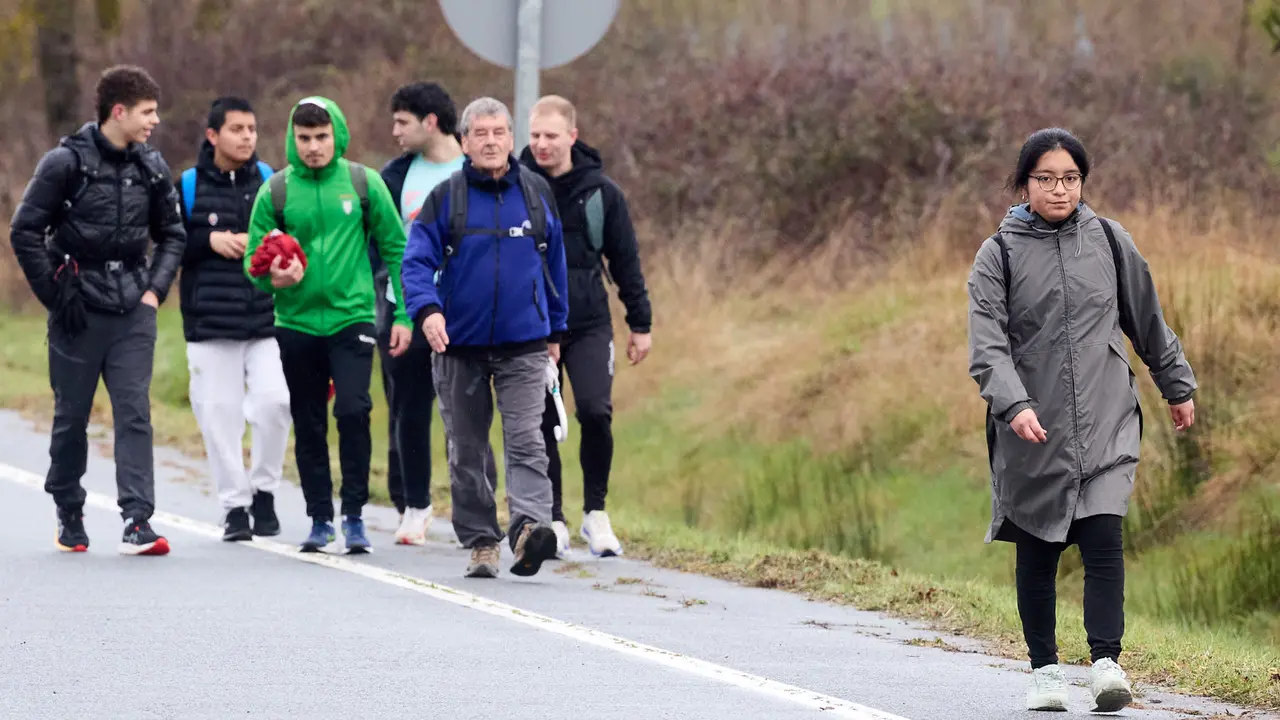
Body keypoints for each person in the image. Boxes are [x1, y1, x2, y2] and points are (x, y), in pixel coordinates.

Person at [967, 127, 1197, 713]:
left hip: (1105, 419)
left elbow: (1146, 319)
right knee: (1038, 551)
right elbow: (987, 344)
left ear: (1082, 182)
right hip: (1033, 429)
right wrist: (1013, 404)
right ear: (1024, 184)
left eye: (1070, 178)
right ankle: (1045, 671)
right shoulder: (999, 254)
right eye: (1046, 178)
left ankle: (1105, 664)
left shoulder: (1110, 241)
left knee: (1103, 538)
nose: (1060, 189)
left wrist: (1176, 384)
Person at [9, 65, 185, 556]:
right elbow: (24, 231)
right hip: (77, 309)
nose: (155, 122)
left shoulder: (151, 166)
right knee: (71, 418)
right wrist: (54, 294)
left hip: (133, 306)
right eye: (148, 112)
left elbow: (173, 234)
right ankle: (68, 505)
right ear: (119, 111)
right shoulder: (64, 163)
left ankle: (137, 519)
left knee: (135, 413)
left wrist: (154, 291)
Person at [401, 96, 568, 579]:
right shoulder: (446, 198)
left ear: (511, 139)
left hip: (525, 345)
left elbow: (553, 265)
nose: (492, 142)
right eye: (481, 134)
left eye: (500, 133)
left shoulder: (535, 194)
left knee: (526, 442)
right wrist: (427, 311)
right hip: (459, 347)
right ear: (465, 142)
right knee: (468, 447)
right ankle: (480, 541)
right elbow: (416, 263)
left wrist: (556, 330)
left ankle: (528, 531)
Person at [244, 96, 413, 554]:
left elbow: (397, 249)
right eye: (304, 139)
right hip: (295, 322)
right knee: (309, 419)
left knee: (354, 410)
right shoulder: (275, 191)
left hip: (352, 316)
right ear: (292, 139)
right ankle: (320, 518)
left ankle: (354, 515)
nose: (314, 147)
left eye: (321, 137)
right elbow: (251, 263)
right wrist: (272, 276)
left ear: (336, 134)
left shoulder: (363, 183)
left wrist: (402, 313)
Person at [520, 95, 653, 558]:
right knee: (542, 422)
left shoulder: (602, 193)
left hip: (589, 321)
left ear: (572, 137)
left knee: (595, 410)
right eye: (534, 135)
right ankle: (553, 518)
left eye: (551, 136)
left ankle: (595, 513)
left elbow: (625, 260)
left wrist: (641, 323)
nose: (541, 144)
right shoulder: (517, 187)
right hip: (532, 326)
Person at [178, 96, 290, 542]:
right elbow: (166, 242)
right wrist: (210, 240)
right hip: (209, 324)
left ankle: (264, 490)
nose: (247, 137)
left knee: (275, 403)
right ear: (213, 136)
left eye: (252, 129)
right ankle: (234, 507)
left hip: (266, 321)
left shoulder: (270, 182)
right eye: (237, 129)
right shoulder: (186, 186)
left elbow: (290, 236)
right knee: (219, 417)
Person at [373, 81, 465, 546]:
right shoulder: (394, 177)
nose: (395, 131)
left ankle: (475, 508)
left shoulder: (475, 168)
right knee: (408, 408)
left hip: (466, 313)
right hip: (404, 309)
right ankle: (414, 505)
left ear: (430, 122)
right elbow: (382, 246)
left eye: (402, 122)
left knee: (471, 412)